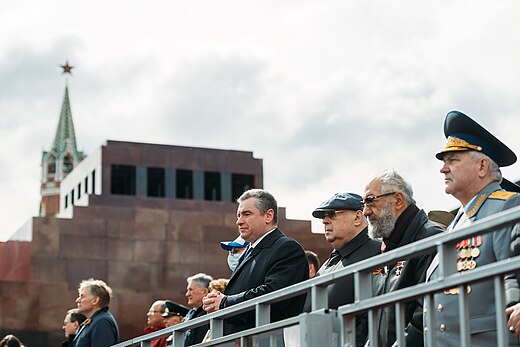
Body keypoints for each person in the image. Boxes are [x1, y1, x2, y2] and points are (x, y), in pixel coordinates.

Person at [425, 110, 520, 346]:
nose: (443, 169)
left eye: (453, 160)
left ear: (482, 166)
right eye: (444, 162)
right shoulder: (457, 221)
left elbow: (515, 273)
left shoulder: (506, 206)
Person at [202, 188, 309, 335]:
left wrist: (225, 302)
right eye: (238, 215)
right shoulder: (249, 251)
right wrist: (217, 304)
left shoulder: (286, 248)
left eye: (247, 214)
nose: (239, 221)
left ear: (268, 215)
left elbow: (274, 295)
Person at [362, 170, 443, 347]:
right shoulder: (386, 247)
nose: (365, 212)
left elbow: (430, 309)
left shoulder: (430, 238)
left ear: (398, 200)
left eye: (370, 201)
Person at [312, 192, 381, 346]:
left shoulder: (378, 251)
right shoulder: (328, 264)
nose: (324, 220)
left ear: (357, 217)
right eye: (322, 216)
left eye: (332, 214)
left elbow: (380, 314)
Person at [72, 278, 119, 347]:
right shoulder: (93, 321)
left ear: (95, 300)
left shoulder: (102, 321)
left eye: (82, 296)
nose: (77, 300)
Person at [184, 273, 212, 346]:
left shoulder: (211, 311)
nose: (187, 294)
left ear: (205, 291)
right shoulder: (191, 313)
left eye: (191, 290)